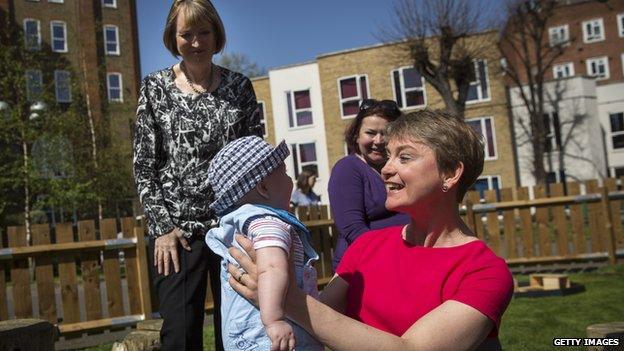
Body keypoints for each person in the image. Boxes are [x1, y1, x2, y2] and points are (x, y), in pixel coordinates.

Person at [228, 110, 515, 351]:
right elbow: (319, 321)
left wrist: (287, 300)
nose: (386, 169)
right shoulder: (367, 247)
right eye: (389, 156)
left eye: (404, 157)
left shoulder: (485, 272)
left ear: (451, 173)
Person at [132, 1, 261, 349]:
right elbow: (144, 164)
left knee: (236, 332)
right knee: (180, 336)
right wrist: (161, 229)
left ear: (216, 34)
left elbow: (255, 160)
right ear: (173, 39)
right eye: (186, 34)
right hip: (178, 236)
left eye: (203, 32)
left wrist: (255, 221)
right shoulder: (155, 88)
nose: (196, 42)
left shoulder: (240, 87)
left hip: (232, 231)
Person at [205, 136, 322, 351]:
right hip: (267, 337)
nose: (291, 181)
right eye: (285, 173)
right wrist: (275, 319)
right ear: (264, 187)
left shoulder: (242, 223)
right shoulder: (268, 223)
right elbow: (270, 268)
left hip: (247, 335)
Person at [328, 99, 409, 269]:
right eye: (371, 133)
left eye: (386, 133)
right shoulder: (347, 169)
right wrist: (394, 257)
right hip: (366, 266)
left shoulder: (403, 168)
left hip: (408, 259)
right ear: (356, 135)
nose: (378, 140)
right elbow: (353, 230)